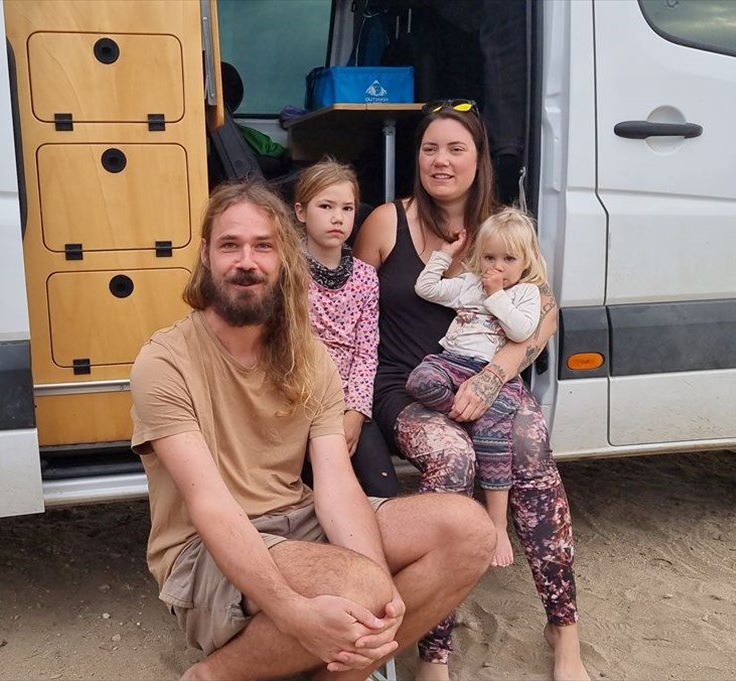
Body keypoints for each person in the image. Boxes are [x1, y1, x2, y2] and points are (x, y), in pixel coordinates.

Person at [130, 180, 496, 681]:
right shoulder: (165, 361)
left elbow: (336, 483)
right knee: (360, 586)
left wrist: (385, 597)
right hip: (201, 551)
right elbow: (210, 505)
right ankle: (213, 675)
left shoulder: (309, 356)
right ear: (205, 256)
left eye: (263, 246)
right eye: (230, 245)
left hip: (298, 519)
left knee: (469, 531)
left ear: (285, 259)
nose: (246, 262)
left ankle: (340, 672)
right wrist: (293, 611)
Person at [353, 102, 591, 681]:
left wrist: (496, 374)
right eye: (430, 148)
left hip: (486, 380)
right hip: (407, 386)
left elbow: (546, 310)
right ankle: (434, 650)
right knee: (453, 455)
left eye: (456, 149)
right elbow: (351, 315)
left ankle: (564, 628)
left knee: (530, 441)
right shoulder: (387, 221)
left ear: (479, 159)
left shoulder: (503, 229)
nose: (441, 160)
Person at [408, 207, 548, 567]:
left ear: (526, 261)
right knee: (420, 380)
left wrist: (496, 294)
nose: (497, 266)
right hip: (452, 362)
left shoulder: (526, 293)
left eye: (508, 259)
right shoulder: (470, 282)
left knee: (493, 442)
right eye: (489, 257)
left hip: (493, 373)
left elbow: (521, 331)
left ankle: (498, 524)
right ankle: (464, 412)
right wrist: (445, 255)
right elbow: (426, 288)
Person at [293, 159, 398, 497]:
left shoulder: (365, 277)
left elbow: (367, 352)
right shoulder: (287, 272)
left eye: (347, 208)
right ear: (301, 212)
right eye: (326, 206)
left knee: (383, 486)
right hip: (298, 403)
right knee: (312, 492)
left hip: (348, 402)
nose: (337, 217)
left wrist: (355, 412)